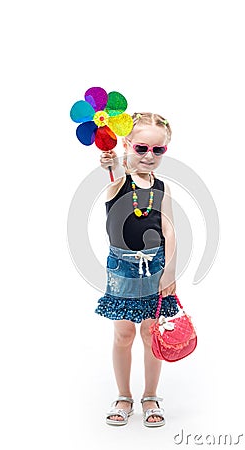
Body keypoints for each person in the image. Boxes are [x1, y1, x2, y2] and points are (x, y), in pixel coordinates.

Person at [96, 112, 178, 427]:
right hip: (121, 268)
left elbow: (168, 229)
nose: (149, 156)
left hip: (155, 266)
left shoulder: (162, 188)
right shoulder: (118, 182)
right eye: (142, 148)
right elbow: (113, 168)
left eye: (158, 151)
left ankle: (150, 395)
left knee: (150, 332)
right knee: (123, 333)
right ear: (129, 144)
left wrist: (169, 271)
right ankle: (123, 395)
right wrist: (111, 159)